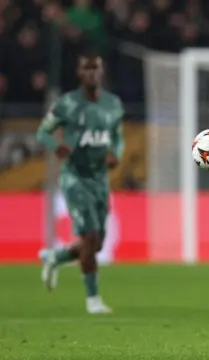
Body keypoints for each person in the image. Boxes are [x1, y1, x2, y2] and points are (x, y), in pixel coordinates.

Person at [36, 53, 125, 314]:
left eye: (95, 69)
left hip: (100, 178)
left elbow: (118, 138)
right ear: (79, 73)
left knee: (96, 244)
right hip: (75, 177)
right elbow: (43, 132)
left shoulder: (113, 104)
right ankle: (93, 299)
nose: (91, 74)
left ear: (101, 71)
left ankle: (55, 257)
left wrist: (115, 153)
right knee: (89, 237)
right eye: (86, 69)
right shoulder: (67, 104)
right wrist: (56, 145)